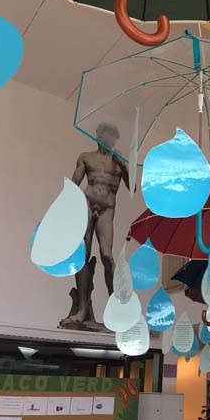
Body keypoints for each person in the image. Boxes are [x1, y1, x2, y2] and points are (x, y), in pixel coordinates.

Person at [63, 122, 130, 324]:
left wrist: (123, 166)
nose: (112, 140)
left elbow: (133, 187)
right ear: (100, 136)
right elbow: (74, 184)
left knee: (107, 255)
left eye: (115, 137)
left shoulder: (119, 161)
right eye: (109, 135)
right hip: (87, 202)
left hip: (107, 209)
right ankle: (83, 307)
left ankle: (115, 307)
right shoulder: (86, 157)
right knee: (83, 254)